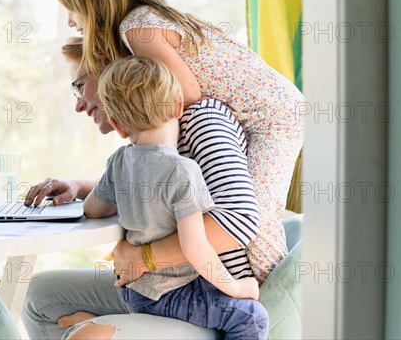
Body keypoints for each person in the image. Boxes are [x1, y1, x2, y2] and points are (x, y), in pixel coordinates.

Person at [54, 0, 304, 285]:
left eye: (72, 8)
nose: (70, 20)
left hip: (274, 116)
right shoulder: (146, 20)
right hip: (270, 110)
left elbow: (188, 93)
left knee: (256, 220)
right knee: (254, 210)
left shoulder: (136, 29)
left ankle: (270, 307)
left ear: (93, 1)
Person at [22, 37, 263, 339]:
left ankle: (103, 319)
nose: (79, 102)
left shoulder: (120, 159)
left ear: (119, 126)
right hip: (171, 292)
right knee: (252, 318)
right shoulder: (183, 171)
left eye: (80, 86)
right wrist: (236, 288)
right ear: (177, 107)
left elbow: (92, 209)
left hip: (134, 290)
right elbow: (195, 247)